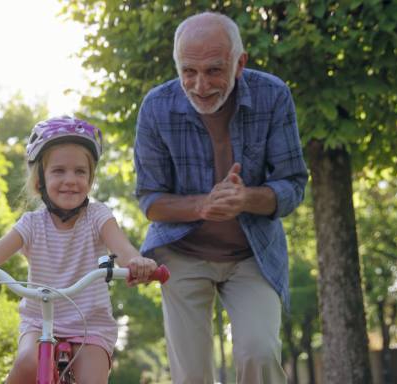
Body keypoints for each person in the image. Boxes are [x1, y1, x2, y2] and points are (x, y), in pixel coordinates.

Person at [133, 12, 308, 384]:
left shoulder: (273, 96)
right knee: (191, 374)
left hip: (252, 253)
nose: (200, 85)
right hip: (181, 253)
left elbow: (293, 186)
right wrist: (202, 206)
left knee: (259, 352)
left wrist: (245, 198)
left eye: (214, 70)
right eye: (188, 71)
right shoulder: (155, 107)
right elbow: (150, 199)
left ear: (239, 63)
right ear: (177, 65)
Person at [0, 116, 159, 384]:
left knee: (91, 379)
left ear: (90, 178)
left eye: (80, 171)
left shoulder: (97, 216)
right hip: (39, 321)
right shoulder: (32, 223)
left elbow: (122, 248)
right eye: (58, 171)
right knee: (28, 362)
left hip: (91, 324)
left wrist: (137, 263)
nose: (70, 180)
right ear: (40, 180)